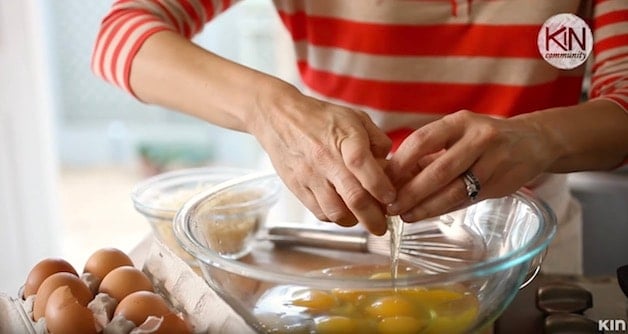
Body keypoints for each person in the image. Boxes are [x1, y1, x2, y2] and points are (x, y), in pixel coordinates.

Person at [92, 0, 628, 275]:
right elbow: (122, 34)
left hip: (523, 236)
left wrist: (537, 138)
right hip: (339, 226)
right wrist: (268, 107)